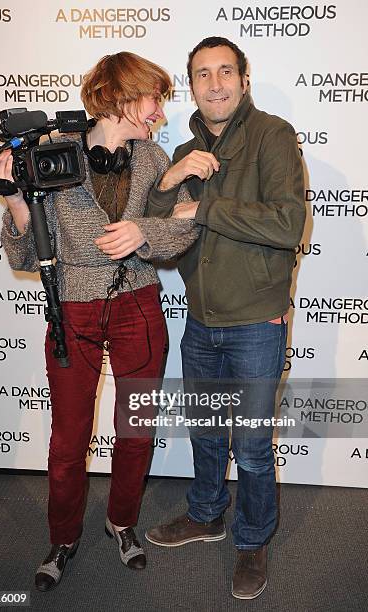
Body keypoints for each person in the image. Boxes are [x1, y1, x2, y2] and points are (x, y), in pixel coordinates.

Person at [0, 51, 198, 591]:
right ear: (122, 96)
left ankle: (121, 521)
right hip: (73, 308)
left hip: (139, 304)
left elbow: (184, 232)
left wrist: (143, 233)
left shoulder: (155, 159)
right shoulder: (51, 157)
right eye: (153, 97)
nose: (159, 108)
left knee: (136, 429)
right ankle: (63, 537)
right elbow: (26, 255)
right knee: (69, 437)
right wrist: (15, 203)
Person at [144, 37, 306, 599]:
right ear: (192, 85)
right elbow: (156, 242)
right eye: (203, 75)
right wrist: (168, 183)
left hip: (255, 320)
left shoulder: (273, 136)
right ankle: (208, 513)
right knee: (207, 433)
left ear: (243, 78)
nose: (215, 84)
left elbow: (287, 225)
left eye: (225, 72)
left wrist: (203, 206)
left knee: (255, 446)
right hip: (201, 320)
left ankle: (252, 538)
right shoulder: (183, 152)